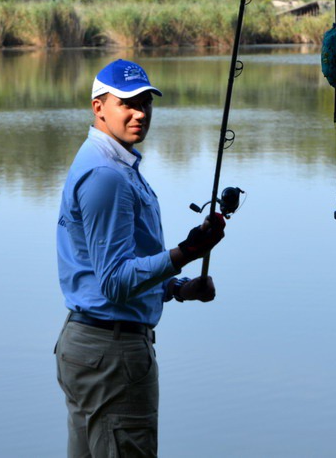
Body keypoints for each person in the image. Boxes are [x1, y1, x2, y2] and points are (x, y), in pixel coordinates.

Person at [55, 58, 226, 457]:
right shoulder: (107, 175)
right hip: (114, 356)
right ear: (98, 107)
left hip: (92, 345)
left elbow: (117, 265)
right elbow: (114, 282)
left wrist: (178, 288)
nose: (139, 113)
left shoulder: (111, 161)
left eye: (146, 102)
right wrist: (186, 252)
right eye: (127, 103)